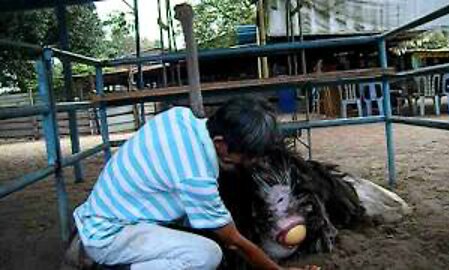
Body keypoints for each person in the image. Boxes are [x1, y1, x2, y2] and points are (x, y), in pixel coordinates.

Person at [73, 97, 318, 270]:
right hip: (110, 235)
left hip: (104, 216)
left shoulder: (179, 116)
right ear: (221, 144)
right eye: (248, 156)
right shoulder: (197, 176)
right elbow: (234, 241)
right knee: (206, 255)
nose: (251, 162)